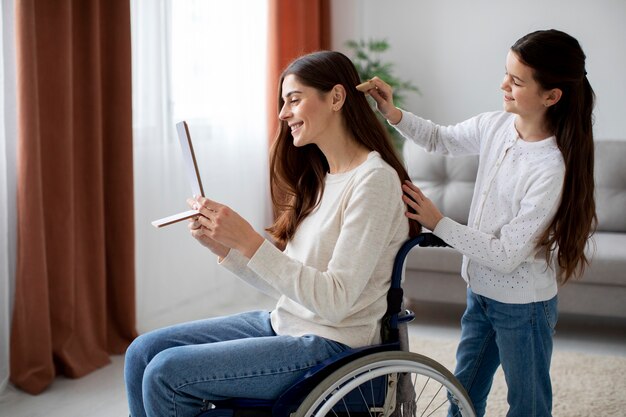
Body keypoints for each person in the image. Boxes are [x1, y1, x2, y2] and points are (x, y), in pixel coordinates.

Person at [124, 50, 420, 417]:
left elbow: (335, 302)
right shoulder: (321, 179)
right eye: (283, 102)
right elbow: (291, 286)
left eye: (294, 100)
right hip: (288, 322)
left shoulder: (373, 182)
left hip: (334, 343)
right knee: (142, 353)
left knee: (166, 374)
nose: (283, 114)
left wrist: (248, 240)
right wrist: (226, 246)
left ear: (337, 98)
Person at [365, 29, 596, 417]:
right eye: (506, 73)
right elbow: (439, 138)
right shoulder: (495, 126)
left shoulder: (550, 168)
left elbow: (506, 254)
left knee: (528, 404)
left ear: (551, 96)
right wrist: (392, 112)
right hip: (481, 294)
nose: (503, 84)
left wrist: (438, 222)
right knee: (463, 391)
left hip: (524, 307)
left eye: (517, 81)